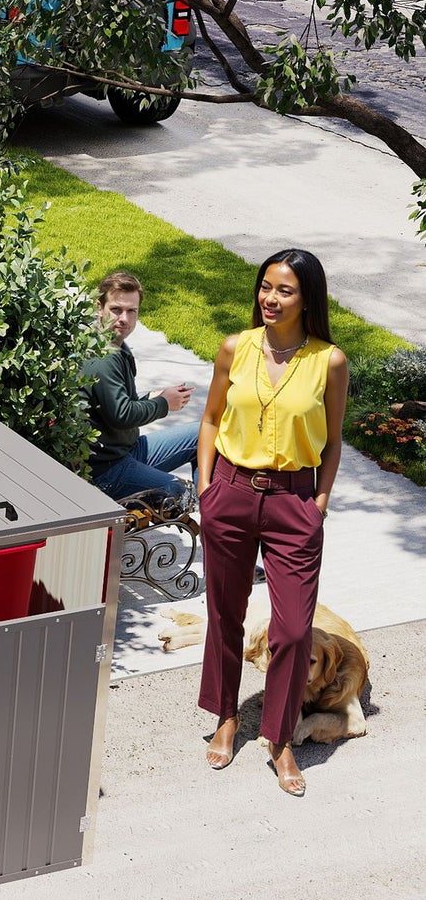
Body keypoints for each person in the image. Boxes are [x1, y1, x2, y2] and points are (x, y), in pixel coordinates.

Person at [195, 249, 348, 796]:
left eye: (284, 290)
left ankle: (281, 739)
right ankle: (226, 716)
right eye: (265, 287)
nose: (270, 298)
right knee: (224, 613)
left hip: (293, 503)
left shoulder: (328, 361)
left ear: (307, 298)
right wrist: (206, 487)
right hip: (231, 493)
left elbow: (332, 442)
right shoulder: (235, 348)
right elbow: (211, 419)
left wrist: (319, 503)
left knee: (291, 630)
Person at [81, 270, 200, 503]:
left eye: (131, 311)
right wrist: (163, 404)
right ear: (99, 307)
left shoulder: (115, 345)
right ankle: (203, 513)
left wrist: (151, 397)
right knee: (178, 492)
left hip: (127, 451)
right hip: (106, 471)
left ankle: (210, 512)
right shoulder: (104, 356)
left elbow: (116, 404)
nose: (124, 318)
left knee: (203, 434)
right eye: (116, 309)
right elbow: (122, 415)